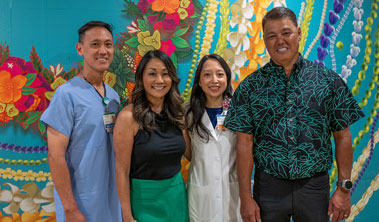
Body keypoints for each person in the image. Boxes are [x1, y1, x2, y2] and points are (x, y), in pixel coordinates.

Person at [224, 7, 364, 222]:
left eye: (286, 33)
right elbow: (244, 144)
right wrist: (245, 197)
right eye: (272, 36)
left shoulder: (328, 81)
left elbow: (343, 136)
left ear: (298, 34)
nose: (280, 40)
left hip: (314, 189)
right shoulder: (250, 87)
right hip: (268, 189)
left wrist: (343, 190)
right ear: (265, 40)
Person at [40, 21, 122, 222]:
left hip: (111, 202)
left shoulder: (113, 97)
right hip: (80, 206)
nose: (103, 50)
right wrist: (69, 209)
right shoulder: (66, 95)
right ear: (80, 49)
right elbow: (55, 156)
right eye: (95, 44)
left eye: (108, 44)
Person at [113, 50, 189, 222]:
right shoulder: (128, 117)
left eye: (165, 74)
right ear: (141, 78)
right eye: (152, 74)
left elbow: (191, 153)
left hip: (176, 197)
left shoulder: (178, 114)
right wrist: (127, 215)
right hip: (144, 200)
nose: (159, 80)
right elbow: (121, 171)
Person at [183, 54, 241, 222]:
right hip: (202, 193)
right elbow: (189, 153)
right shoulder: (188, 113)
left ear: (227, 78)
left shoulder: (239, 111)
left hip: (232, 191)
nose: (214, 80)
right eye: (207, 75)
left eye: (220, 74)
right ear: (199, 81)